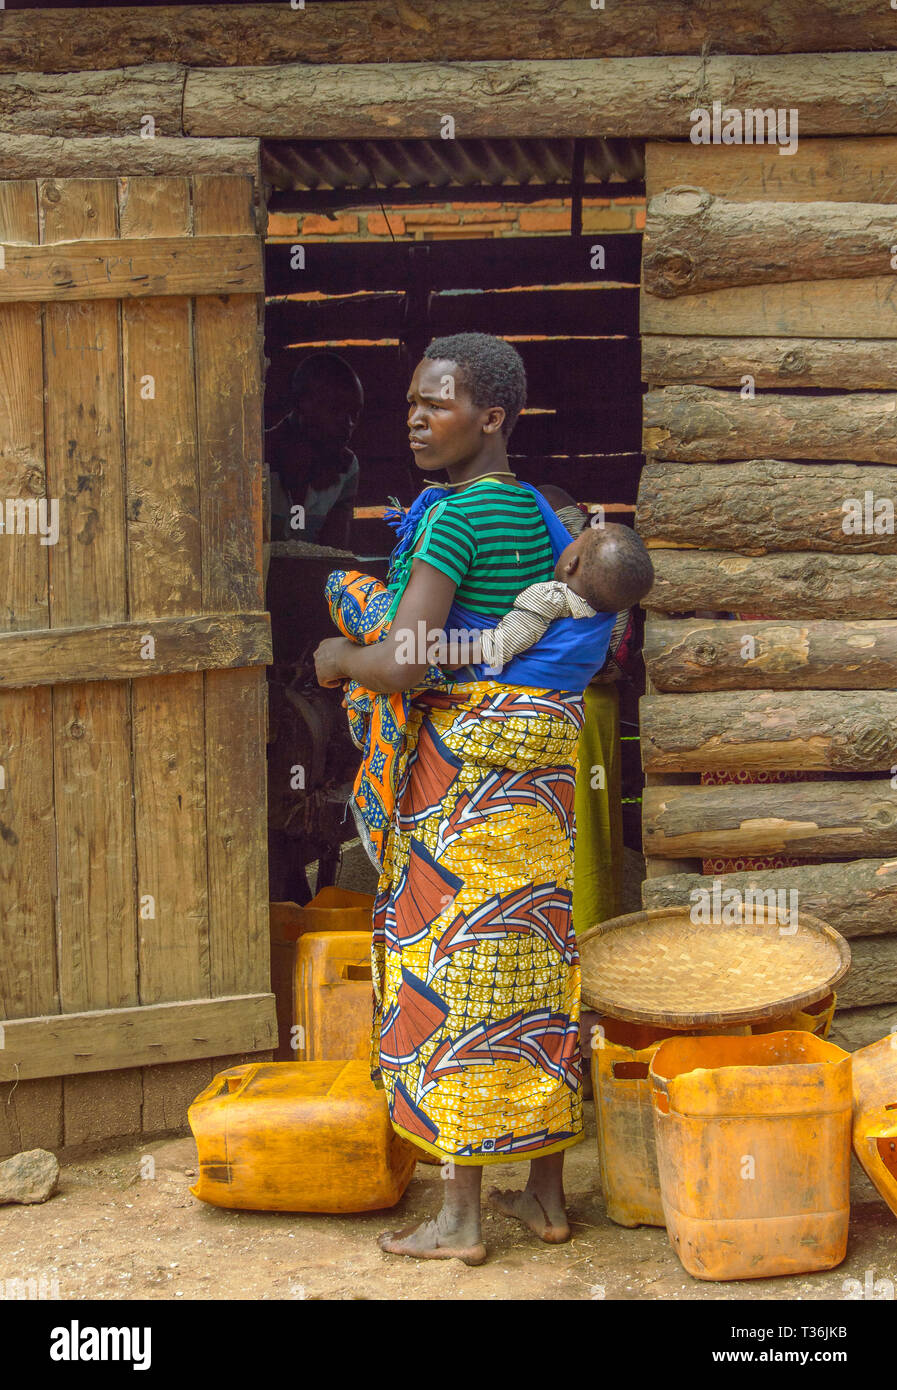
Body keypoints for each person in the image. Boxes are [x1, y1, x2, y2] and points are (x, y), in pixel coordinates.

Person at [314, 332, 617, 1265]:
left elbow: (407, 663)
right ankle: (546, 1197)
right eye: (411, 400)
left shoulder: (452, 518)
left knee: (450, 967)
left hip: (462, 771)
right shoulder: (540, 511)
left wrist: (337, 661)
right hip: (538, 770)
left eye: (436, 402)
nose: (414, 416)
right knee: (533, 955)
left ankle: (460, 1219)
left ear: (489, 417)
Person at [266, 352, 363, 548]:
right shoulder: (257, 456)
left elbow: (333, 553)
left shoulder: (346, 469)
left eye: (354, 413)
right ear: (303, 404)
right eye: (335, 409)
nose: (348, 424)